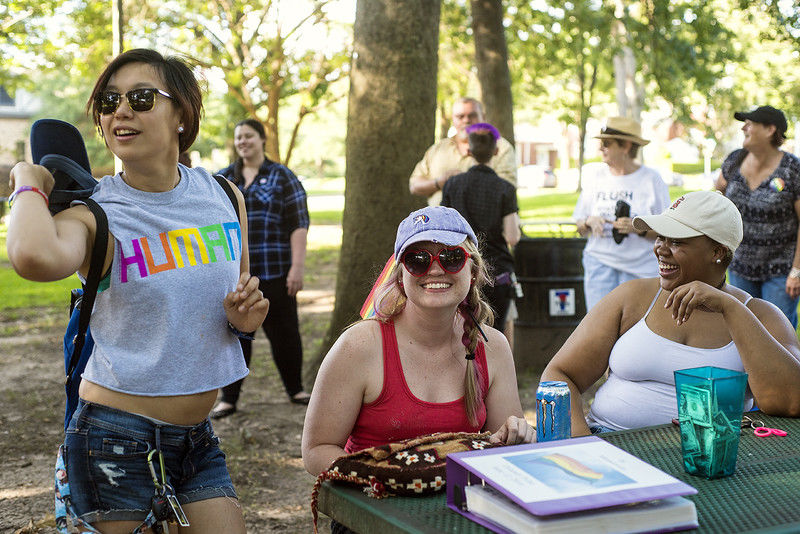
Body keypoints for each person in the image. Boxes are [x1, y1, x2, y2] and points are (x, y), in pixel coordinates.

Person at [6, 49, 267, 532]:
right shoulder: (95, 211)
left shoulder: (226, 197)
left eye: (141, 98)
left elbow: (236, 300)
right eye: (108, 101)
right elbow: (32, 257)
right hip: (112, 435)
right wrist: (27, 182)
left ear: (182, 115)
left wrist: (242, 320)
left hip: (197, 438)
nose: (120, 111)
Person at [542, 191, 800, 435]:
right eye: (660, 237)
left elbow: (790, 401)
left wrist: (730, 308)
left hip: (706, 456)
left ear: (718, 252)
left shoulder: (760, 315)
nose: (660, 249)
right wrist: (581, 444)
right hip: (609, 440)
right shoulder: (632, 297)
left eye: (676, 241)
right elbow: (559, 375)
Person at [302, 206, 534, 477]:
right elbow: (317, 450)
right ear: (401, 276)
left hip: (461, 505)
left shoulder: (491, 346)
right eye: (418, 259)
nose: (435, 270)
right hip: (372, 506)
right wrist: (389, 481)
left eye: (451, 257)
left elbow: (504, 445)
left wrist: (516, 435)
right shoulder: (359, 346)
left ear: (472, 272)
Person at [211, 118, 311, 418]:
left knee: (285, 334)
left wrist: (298, 267)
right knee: (236, 336)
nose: (243, 141)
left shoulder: (283, 177)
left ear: (262, 139)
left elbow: (298, 225)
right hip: (236, 277)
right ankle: (229, 398)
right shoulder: (223, 179)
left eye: (249, 136)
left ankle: (295, 389)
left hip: (276, 271)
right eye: (239, 137)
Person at [715, 105, 800, 329]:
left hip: (780, 272)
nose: (744, 127)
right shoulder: (734, 160)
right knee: (743, 329)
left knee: (778, 334)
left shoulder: (792, 169)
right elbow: (716, 199)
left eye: (750, 123)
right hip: (739, 265)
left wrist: (797, 271)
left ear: (770, 129)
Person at [573, 116, 671, 310]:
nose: (601, 148)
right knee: (599, 331)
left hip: (640, 271)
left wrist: (639, 229)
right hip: (599, 267)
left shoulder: (651, 180)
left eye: (607, 143)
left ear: (625, 146)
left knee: (638, 331)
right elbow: (579, 227)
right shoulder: (596, 177)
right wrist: (588, 222)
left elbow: (667, 231)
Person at [441, 122, 521, 331]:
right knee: (494, 333)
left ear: (469, 151)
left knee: (460, 332)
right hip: (497, 273)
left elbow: (444, 227)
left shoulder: (453, 184)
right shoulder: (505, 189)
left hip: (460, 266)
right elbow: (512, 237)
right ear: (495, 151)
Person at [409, 97, 517, 206]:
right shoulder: (438, 149)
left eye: (472, 115)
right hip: (440, 221)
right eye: (460, 116)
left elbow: (507, 188)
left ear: (483, 117)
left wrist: (462, 182)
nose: (466, 121)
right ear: (453, 119)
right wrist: (438, 183)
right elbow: (414, 186)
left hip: (484, 221)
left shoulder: (500, 147)